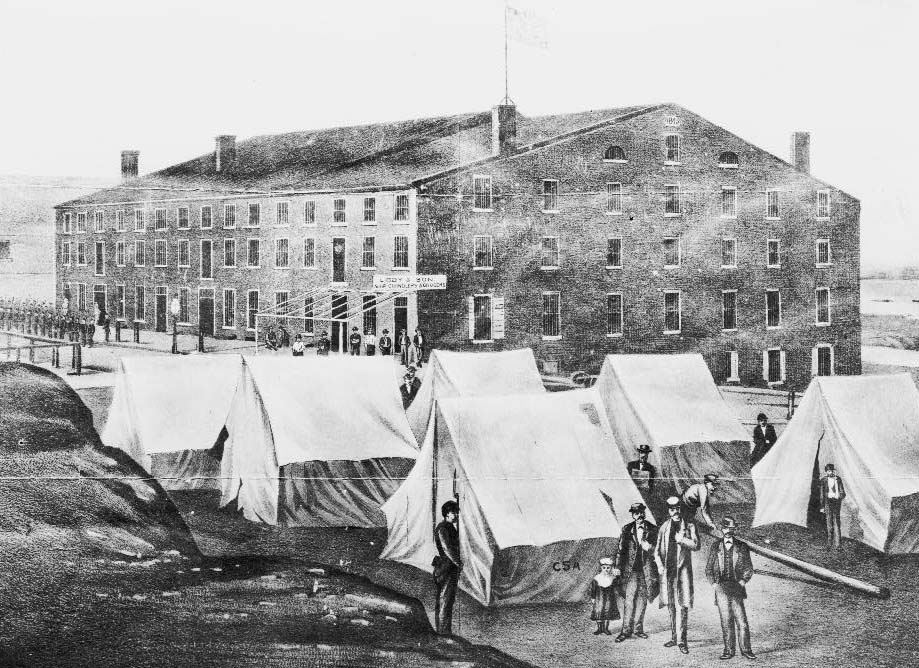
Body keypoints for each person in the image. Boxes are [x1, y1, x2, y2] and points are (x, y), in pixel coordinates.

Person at [706, 516, 756, 660]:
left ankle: (746, 650)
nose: (728, 531)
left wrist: (743, 581)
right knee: (726, 621)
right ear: (722, 529)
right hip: (721, 588)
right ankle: (728, 650)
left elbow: (749, 568)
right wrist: (714, 584)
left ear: (734, 529)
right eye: (726, 528)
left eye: (731, 528)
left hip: (736, 588)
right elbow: (709, 569)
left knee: (742, 622)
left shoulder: (742, 546)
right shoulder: (716, 546)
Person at [655, 496, 700, 654]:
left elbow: (696, 545)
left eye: (678, 508)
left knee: (683, 606)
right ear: (669, 511)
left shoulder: (689, 525)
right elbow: (656, 551)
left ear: (681, 509)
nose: (675, 511)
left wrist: (682, 540)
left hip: (682, 572)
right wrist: (659, 565)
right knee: (671, 605)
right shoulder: (664, 527)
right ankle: (674, 637)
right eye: (672, 509)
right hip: (668, 573)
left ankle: (682, 641)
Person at [613, 502, 659, 642]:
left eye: (641, 512)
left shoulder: (653, 529)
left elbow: (659, 550)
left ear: (644, 513)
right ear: (633, 515)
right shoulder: (627, 529)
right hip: (631, 571)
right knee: (629, 601)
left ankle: (638, 629)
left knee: (642, 600)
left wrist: (649, 548)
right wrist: (617, 566)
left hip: (647, 571)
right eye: (636, 513)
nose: (639, 515)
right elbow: (621, 550)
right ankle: (626, 631)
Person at [433, 500, 461, 635]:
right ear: (446, 514)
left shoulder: (450, 527)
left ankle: (444, 630)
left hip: (449, 567)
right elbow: (447, 548)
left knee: (447, 600)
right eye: (453, 512)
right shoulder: (443, 528)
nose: (456, 515)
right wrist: (458, 562)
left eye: (456, 512)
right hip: (446, 567)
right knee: (445, 600)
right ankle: (443, 632)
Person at [588, 557, 619, 635]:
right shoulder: (597, 578)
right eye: (604, 568)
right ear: (601, 568)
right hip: (599, 598)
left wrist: (618, 577)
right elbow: (593, 589)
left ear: (611, 568)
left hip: (609, 599)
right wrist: (593, 598)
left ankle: (605, 629)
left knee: (607, 612)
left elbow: (617, 586)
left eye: (608, 568)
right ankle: (599, 629)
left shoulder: (612, 578)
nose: (606, 569)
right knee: (599, 612)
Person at [820, 463, 846, 549]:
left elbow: (843, 492)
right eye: (828, 471)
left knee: (836, 523)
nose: (830, 472)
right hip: (827, 503)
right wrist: (822, 506)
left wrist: (839, 496)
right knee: (829, 523)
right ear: (826, 472)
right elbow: (821, 495)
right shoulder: (823, 480)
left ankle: (838, 544)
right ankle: (829, 543)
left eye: (831, 471)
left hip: (836, 503)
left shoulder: (838, 479)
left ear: (833, 471)